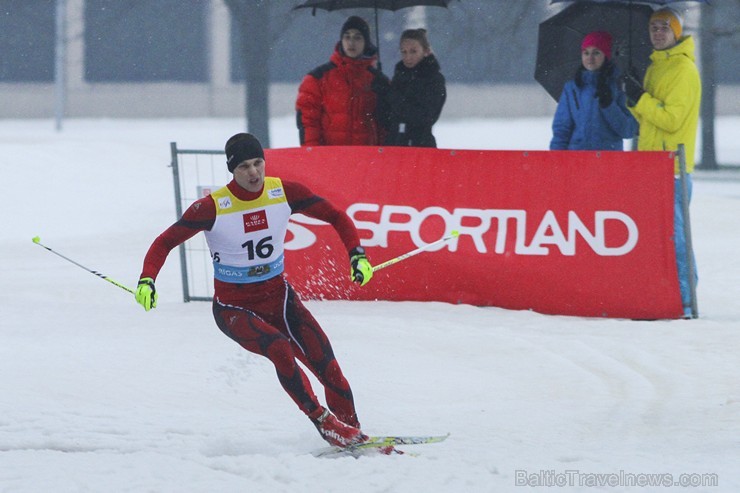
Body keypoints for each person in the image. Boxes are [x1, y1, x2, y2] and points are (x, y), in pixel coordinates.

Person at [134, 133, 375, 447]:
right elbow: (164, 242)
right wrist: (147, 279)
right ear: (232, 170)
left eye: (258, 163)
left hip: (280, 298)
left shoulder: (284, 192)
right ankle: (324, 422)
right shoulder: (212, 207)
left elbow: (336, 216)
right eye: (244, 166)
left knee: (328, 367)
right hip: (234, 308)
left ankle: (353, 431)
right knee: (278, 348)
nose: (253, 173)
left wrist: (357, 254)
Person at [621, 7, 701, 318]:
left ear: (676, 33)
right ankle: (664, 295)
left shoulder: (683, 70)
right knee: (655, 237)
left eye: (664, 28)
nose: (657, 33)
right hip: (650, 165)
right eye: (654, 27)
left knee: (676, 237)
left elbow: (671, 119)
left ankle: (685, 300)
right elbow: (649, 120)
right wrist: (632, 97)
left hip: (673, 169)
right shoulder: (656, 67)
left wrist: (641, 98)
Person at [296, 16, 381, 146]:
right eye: (347, 37)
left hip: (368, 158)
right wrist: (312, 153)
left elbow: (384, 123)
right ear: (341, 41)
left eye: (357, 37)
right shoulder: (318, 78)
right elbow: (308, 121)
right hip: (330, 157)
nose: (351, 43)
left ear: (366, 43)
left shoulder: (378, 80)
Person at [550, 31, 637, 150]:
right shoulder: (572, 88)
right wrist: (556, 160)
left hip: (608, 159)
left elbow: (628, 130)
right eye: (586, 53)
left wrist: (609, 106)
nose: (590, 58)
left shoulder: (619, 86)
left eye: (596, 53)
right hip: (577, 159)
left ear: (606, 55)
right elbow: (561, 129)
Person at [370, 28, 446, 148]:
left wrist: (391, 95)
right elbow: (387, 120)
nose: (408, 57)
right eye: (404, 52)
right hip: (395, 143)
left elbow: (425, 117)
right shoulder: (399, 77)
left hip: (420, 145)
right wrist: (381, 95)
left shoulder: (434, 79)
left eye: (413, 51)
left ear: (425, 51)